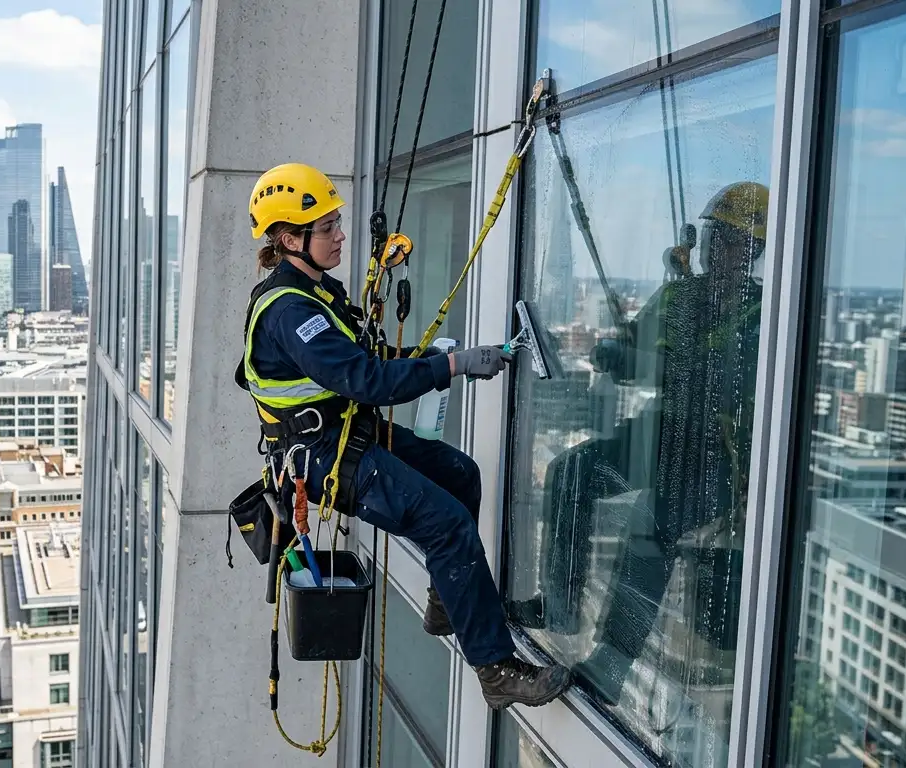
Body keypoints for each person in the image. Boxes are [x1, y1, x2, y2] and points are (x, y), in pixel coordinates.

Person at [238, 163, 571, 709]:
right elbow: (367, 380)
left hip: (348, 436)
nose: (340, 234)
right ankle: (497, 670)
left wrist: (436, 358)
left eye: (336, 222)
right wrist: (455, 366)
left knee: (462, 473)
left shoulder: (319, 293)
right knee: (448, 525)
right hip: (323, 459)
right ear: (287, 237)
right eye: (326, 228)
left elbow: (367, 359)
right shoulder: (292, 312)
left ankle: (448, 599)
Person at [508, 182, 768, 706]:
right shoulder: (682, 295)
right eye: (715, 236)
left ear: (752, 252)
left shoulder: (759, 315)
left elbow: (718, 382)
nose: (718, 248)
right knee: (569, 472)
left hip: (718, 453)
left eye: (731, 241)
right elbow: (636, 349)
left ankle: (613, 661)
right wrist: (612, 352)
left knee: (654, 523)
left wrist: (639, 362)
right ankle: (559, 604)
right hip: (662, 429)